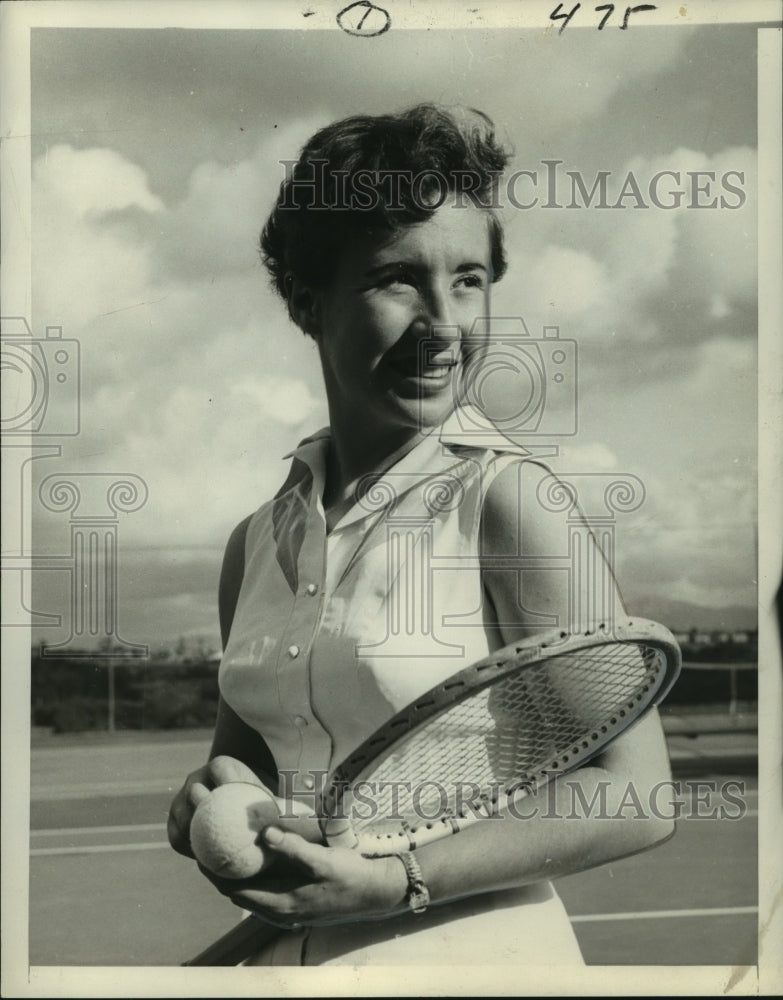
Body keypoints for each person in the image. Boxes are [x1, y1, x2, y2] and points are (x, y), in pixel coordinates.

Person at [168, 103, 674, 966]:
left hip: (478, 964)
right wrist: (207, 803)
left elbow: (635, 795)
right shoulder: (254, 543)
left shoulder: (511, 502)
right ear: (305, 300)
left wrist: (400, 877)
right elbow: (252, 774)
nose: (444, 323)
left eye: (470, 279)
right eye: (397, 279)